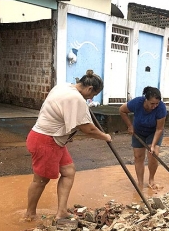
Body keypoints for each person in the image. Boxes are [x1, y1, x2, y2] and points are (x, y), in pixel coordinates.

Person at [25, 70, 112, 221]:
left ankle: (61, 212)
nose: (91, 98)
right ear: (89, 88)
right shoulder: (76, 99)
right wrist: (105, 136)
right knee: (40, 180)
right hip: (46, 140)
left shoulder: (64, 87)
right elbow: (88, 129)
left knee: (68, 171)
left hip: (54, 140)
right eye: (93, 95)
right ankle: (30, 214)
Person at [119, 86, 167, 190]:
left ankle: (151, 180)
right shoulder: (137, 102)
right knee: (138, 157)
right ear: (146, 100)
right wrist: (130, 126)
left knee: (154, 155)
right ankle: (140, 183)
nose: (154, 106)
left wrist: (153, 145)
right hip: (138, 132)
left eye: (156, 103)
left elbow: (159, 129)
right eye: (152, 103)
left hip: (153, 133)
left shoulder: (161, 108)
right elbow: (122, 110)